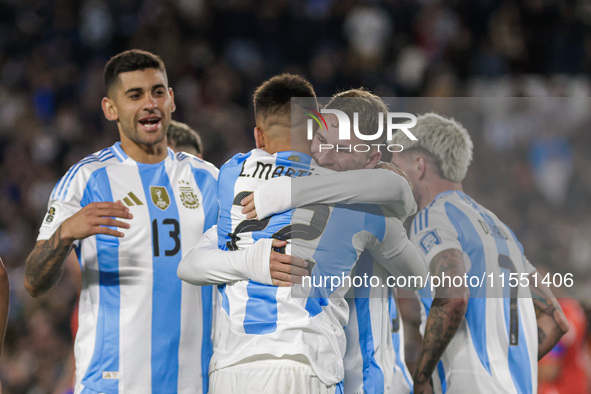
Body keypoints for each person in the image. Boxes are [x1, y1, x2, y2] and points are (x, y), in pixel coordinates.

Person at [178, 76, 425, 393]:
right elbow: (416, 267)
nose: (326, 156)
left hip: (246, 368)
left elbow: (191, 265)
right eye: (322, 140)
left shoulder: (234, 174)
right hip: (303, 365)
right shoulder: (365, 208)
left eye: (344, 150)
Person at [24, 49, 219, 394]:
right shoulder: (86, 179)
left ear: (171, 99)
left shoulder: (208, 180)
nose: (150, 103)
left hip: (194, 384)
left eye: (158, 92)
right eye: (135, 95)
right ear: (110, 108)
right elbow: (34, 281)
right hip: (112, 384)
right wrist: (66, 232)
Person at [389, 113, 569, 393]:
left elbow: (454, 296)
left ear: (419, 165)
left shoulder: (432, 218)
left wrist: (422, 378)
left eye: (397, 166)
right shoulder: (501, 228)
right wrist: (506, 366)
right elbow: (556, 319)